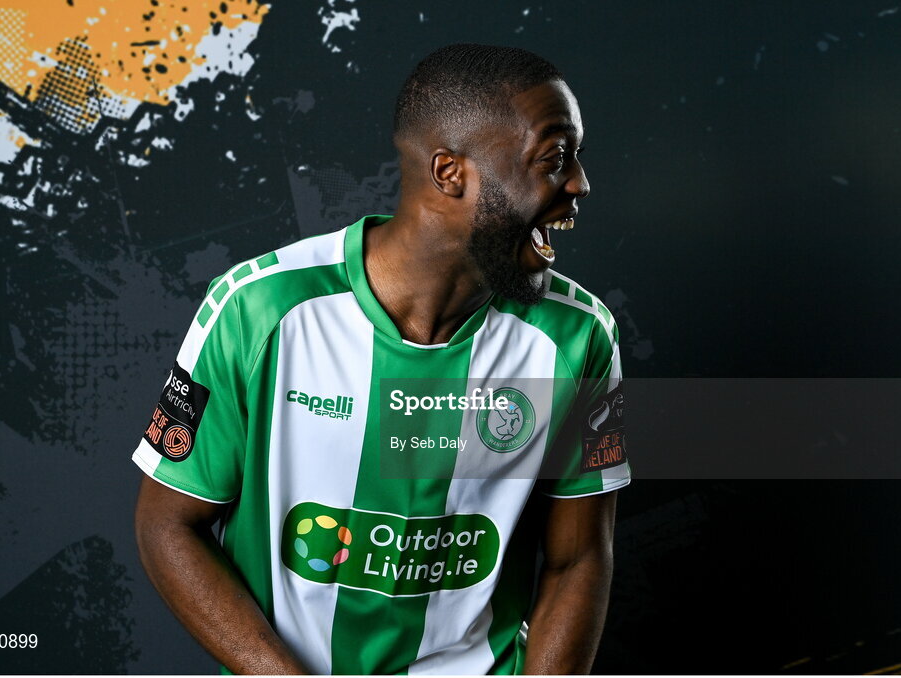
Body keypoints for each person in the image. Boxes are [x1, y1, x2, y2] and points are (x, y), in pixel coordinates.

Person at [133, 43, 629, 675]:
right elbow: (167, 524)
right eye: (554, 159)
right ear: (450, 173)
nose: (580, 182)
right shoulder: (257, 310)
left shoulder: (578, 337)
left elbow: (578, 558)